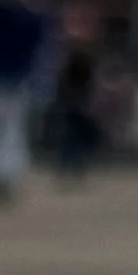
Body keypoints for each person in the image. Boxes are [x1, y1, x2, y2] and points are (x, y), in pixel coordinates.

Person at [0, 0, 50, 202]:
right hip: (9, 80)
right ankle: (3, 173)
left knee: (6, 130)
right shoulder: (18, 17)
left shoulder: (6, 16)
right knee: (8, 130)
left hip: (11, 80)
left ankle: (3, 174)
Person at [47, 19, 102, 182]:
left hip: (79, 105)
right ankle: (68, 166)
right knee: (70, 137)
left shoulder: (84, 61)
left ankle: (74, 166)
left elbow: (88, 85)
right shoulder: (71, 61)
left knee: (76, 137)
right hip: (73, 105)